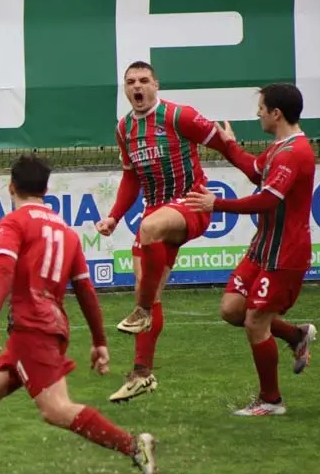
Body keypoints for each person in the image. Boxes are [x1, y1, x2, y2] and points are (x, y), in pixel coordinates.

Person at [0, 154, 158, 474]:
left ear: (11, 186)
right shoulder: (65, 231)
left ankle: (134, 445)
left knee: (56, 409)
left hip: (32, 328)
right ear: (47, 189)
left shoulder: (14, 223)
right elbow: (86, 290)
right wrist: (99, 341)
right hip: (46, 327)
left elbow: (3, 269)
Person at [95, 60, 232, 403]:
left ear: (156, 85)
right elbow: (130, 178)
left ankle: (140, 312)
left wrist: (257, 171)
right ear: (125, 89)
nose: (137, 87)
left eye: (143, 80)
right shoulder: (124, 128)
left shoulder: (178, 116)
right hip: (156, 212)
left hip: (191, 205)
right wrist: (113, 217)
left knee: (149, 229)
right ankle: (141, 374)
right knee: (146, 287)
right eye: (130, 82)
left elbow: (225, 145)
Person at [184, 83, 317, 416]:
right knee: (232, 309)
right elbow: (254, 171)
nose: (257, 112)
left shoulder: (295, 152)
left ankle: (271, 401)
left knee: (256, 321)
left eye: (261, 107)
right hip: (263, 249)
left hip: (284, 255)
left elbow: (268, 198)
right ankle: (296, 335)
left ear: (276, 113)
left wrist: (218, 204)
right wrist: (228, 146)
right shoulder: (278, 148)